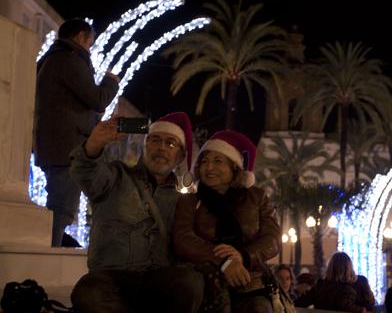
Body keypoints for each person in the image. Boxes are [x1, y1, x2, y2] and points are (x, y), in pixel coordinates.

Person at [69, 112, 203, 313]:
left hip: (158, 282)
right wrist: (93, 145)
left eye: (171, 143)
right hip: (111, 279)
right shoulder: (116, 176)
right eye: (155, 140)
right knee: (88, 293)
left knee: (189, 281)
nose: (161, 148)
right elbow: (86, 172)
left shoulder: (183, 201)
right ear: (145, 145)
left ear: (181, 156)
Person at [173, 129, 281, 313]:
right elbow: (183, 238)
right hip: (206, 282)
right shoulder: (189, 201)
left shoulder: (257, 198)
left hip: (250, 281)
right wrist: (224, 260)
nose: (209, 168)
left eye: (217, 161)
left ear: (234, 167)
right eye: (204, 162)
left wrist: (243, 256)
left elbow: (272, 238)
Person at [34, 18, 120, 247]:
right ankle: (47, 257)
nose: (90, 48)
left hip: (54, 146)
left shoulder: (51, 60)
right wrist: (111, 82)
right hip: (67, 149)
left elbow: (73, 104)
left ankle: (51, 250)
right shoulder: (69, 60)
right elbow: (97, 99)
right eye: (90, 42)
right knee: (61, 208)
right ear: (81, 36)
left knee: (60, 206)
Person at [295, 252, 369, 313]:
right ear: (349, 268)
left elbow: (300, 302)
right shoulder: (352, 288)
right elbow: (346, 306)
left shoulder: (320, 287)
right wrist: (361, 310)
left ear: (330, 267)